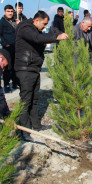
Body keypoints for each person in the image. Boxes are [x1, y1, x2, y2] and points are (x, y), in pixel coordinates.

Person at [15, 11, 68, 141]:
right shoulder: (25, 29)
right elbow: (38, 39)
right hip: (25, 69)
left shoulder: (34, 30)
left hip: (33, 68)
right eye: (44, 24)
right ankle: (24, 130)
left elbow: (42, 37)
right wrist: (57, 37)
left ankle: (36, 125)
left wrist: (56, 34)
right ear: (36, 20)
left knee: (34, 99)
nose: (44, 27)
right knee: (25, 101)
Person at [0, 4, 19, 93]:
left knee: (15, 66)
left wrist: (18, 24)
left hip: (16, 47)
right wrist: (5, 44)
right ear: (4, 12)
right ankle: (6, 85)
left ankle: (15, 82)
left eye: (12, 11)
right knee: (7, 67)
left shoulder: (15, 21)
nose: (10, 13)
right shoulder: (1, 22)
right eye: (8, 11)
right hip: (7, 48)